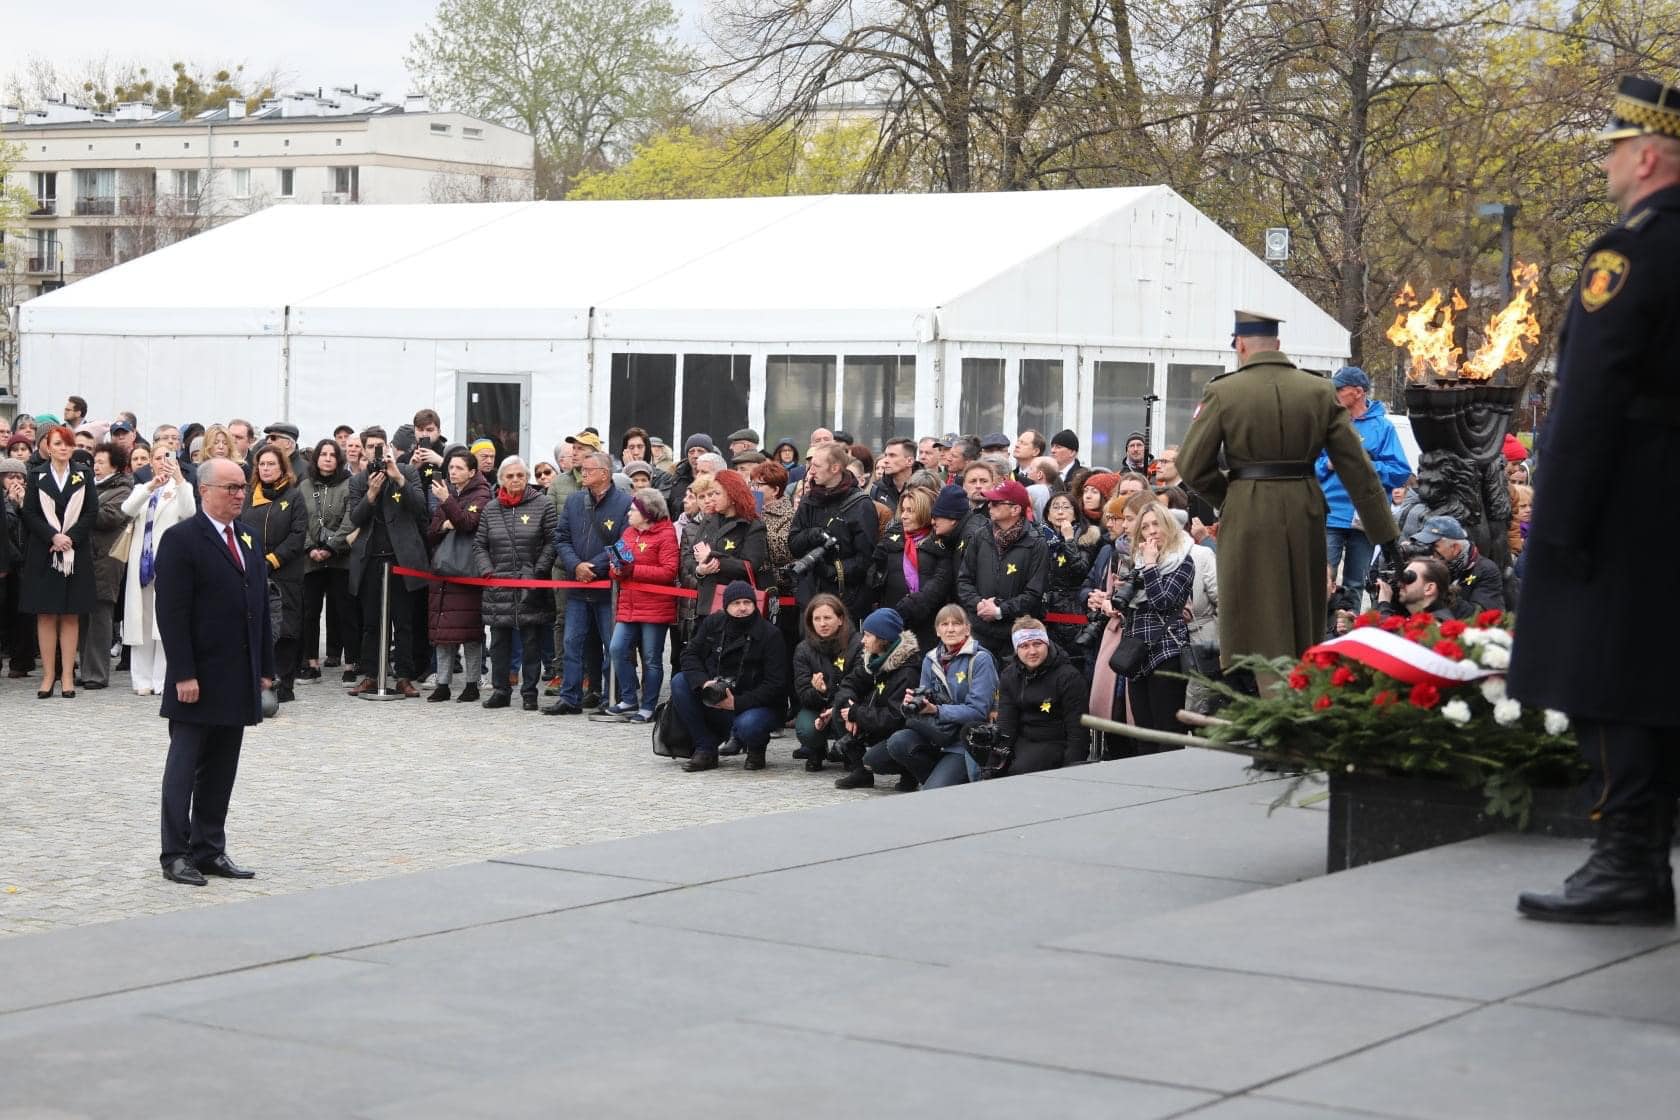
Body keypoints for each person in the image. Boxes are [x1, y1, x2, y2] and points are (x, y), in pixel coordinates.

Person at [1514, 75, 1680, 925]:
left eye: (1616, 148)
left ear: (1646, 156)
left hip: (1628, 498)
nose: (1608, 162)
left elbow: (1590, 396)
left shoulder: (1629, 254)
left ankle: (1626, 863)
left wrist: (1561, 519)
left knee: (1610, 679)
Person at [1177, 311, 1400, 678]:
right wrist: (1386, 534)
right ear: (1278, 345)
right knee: (1301, 619)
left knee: (1253, 620)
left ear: (1240, 344)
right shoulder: (1319, 390)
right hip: (1304, 508)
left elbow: (1190, 464)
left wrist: (1231, 497)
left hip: (1247, 512)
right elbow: (1358, 469)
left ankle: (1263, 693)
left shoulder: (1223, 391)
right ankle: (1299, 689)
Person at [154, 456, 274, 886]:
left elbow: (259, 606)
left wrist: (265, 666)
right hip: (198, 675)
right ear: (204, 491)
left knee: (222, 768)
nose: (240, 494)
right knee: (184, 768)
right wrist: (183, 673)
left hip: (237, 673)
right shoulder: (181, 539)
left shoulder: (247, 536)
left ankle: (209, 848)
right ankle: (175, 853)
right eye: (231, 488)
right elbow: (172, 613)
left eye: (243, 486)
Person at [866, 604, 998, 791]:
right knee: (891, 747)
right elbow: (925, 697)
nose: (950, 629)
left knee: (931, 792)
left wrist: (936, 710)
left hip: (964, 741)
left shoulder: (980, 659)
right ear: (937, 631)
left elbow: (978, 711)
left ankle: (944, 780)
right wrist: (913, 703)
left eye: (956, 624)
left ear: (967, 629)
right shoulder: (931, 658)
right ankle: (936, 776)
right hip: (937, 735)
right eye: (944, 624)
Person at [672, 580, 790, 772]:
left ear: (754, 604)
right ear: (726, 606)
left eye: (747, 602)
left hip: (756, 703)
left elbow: (776, 684)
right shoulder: (713, 623)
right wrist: (704, 683)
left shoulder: (770, 634)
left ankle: (756, 748)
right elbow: (689, 654)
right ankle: (705, 748)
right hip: (716, 696)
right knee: (680, 682)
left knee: (749, 724)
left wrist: (737, 703)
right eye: (736, 603)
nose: (742, 608)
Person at [346, 427, 429, 697]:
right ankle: (371, 675)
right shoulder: (358, 481)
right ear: (364, 450)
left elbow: (420, 508)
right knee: (371, 622)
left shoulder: (407, 472)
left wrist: (398, 478)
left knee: (403, 622)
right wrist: (370, 495)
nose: (376, 451)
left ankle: (404, 676)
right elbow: (355, 518)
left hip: (401, 559)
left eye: (380, 446)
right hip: (371, 560)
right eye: (371, 447)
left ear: (389, 447)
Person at [547, 449, 632, 715]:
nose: (582, 473)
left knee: (611, 645)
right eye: (582, 469)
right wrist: (576, 565)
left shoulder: (625, 503)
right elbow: (561, 537)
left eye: (588, 470)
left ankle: (611, 696)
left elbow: (625, 545)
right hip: (577, 586)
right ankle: (569, 697)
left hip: (608, 589)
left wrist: (593, 567)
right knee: (572, 643)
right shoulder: (574, 501)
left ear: (605, 474)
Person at [471, 456, 557, 711]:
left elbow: (553, 541)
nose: (516, 480)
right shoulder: (491, 508)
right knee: (499, 643)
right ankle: (501, 691)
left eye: (520, 475)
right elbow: (480, 544)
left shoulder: (543, 504)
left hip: (532, 585)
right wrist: (488, 570)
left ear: (527, 478)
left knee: (531, 642)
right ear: (501, 481)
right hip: (498, 585)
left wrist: (538, 570)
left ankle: (529, 693)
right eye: (510, 476)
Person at [1315, 367, 1413, 590]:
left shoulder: (1383, 427)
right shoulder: (1326, 423)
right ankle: (1323, 615)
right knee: (1321, 580)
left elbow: (1400, 472)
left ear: (1358, 392)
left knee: (1355, 584)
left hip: (1366, 518)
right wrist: (1327, 464)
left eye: (1338, 389)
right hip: (1330, 515)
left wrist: (1364, 465)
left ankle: (1350, 615)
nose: (1333, 394)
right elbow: (1308, 465)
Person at [19, 425, 98, 698]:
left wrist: (69, 538)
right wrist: (53, 536)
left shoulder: (83, 474)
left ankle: (66, 676)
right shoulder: (36, 474)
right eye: (58, 444)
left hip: (75, 552)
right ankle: (48, 675)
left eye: (67, 444)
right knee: (46, 614)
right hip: (45, 551)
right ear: (48, 447)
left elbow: (91, 512)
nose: (63, 448)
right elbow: (30, 513)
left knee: (70, 614)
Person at [120, 437, 196, 695]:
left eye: (168, 457)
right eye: (158, 458)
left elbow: (189, 512)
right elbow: (127, 509)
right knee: (140, 620)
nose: (163, 462)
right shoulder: (143, 488)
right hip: (141, 563)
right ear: (150, 463)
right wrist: (150, 486)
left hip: (168, 562)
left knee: (165, 620)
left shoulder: (182, 488)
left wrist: (179, 480)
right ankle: (141, 679)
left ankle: (162, 679)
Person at [1113, 502, 1196, 733]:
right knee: (1143, 732)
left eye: (1156, 524)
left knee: (1167, 731)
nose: (1151, 531)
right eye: (1145, 527)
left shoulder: (1182, 560)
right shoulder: (1138, 562)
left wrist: (1150, 565)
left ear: (1168, 525)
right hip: (1137, 653)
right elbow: (1133, 608)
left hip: (1166, 650)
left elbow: (1162, 602)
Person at [824, 607, 923, 790]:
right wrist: (848, 707)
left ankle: (909, 772)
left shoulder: (907, 672)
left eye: (868, 635)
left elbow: (895, 718)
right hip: (874, 720)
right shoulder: (874, 660)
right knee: (840, 708)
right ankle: (860, 772)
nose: (863, 640)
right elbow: (848, 684)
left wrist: (856, 713)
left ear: (883, 639)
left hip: (898, 732)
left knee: (875, 760)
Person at [603, 487, 678, 721]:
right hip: (629, 604)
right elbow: (617, 567)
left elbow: (669, 571)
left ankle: (648, 706)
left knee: (651, 659)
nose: (629, 513)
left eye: (634, 510)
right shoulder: (628, 533)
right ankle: (629, 699)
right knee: (616, 649)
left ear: (647, 513)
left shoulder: (666, 534)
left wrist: (633, 570)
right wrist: (616, 570)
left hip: (656, 606)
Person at [424, 446, 491, 703]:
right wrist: (446, 521)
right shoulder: (449, 492)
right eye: (450, 467)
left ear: (472, 472)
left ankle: (472, 683)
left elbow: (467, 523)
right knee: (443, 632)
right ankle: (442, 683)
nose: (452, 472)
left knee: (470, 632)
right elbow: (431, 532)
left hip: (467, 571)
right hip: (443, 572)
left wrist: (447, 504)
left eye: (459, 468)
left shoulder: (482, 493)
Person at [242, 445, 307, 702]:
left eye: (271, 464)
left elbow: (298, 535)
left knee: (286, 629)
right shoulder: (249, 496)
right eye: (262, 464)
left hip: (285, 572)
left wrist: (272, 560)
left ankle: (284, 684)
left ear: (282, 468)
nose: (266, 469)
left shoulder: (294, 496)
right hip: (253, 570)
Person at [956, 479, 1048, 658]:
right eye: (990, 502)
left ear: (1015, 509)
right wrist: (979, 604)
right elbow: (964, 580)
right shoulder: (980, 536)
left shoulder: (1036, 543)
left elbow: (1034, 593)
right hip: (980, 630)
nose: (990, 506)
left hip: (1016, 634)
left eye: (996, 503)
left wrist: (1000, 611)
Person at [789, 441, 880, 620]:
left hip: (845, 600)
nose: (811, 471)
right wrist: (812, 535)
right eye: (810, 465)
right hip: (810, 599)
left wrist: (832, 571)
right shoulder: (809, 500)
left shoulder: (860, 504)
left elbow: (866, 559)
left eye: (816, 466)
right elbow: (793, 544)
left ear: (835, 468)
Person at [996, 617, 1088, 774]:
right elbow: (1006, 722)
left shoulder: (1068, 676)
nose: (1032, 651)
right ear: (1016, 649)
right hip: (1022, 739)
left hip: (1054, 741)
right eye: (1024, 646)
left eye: (1037, 644)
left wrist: (1071, 768)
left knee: (1019, 769)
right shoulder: (1009, 675)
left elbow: (1078, 729)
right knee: (973, 737)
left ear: (1047, 644)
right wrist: (996, 761)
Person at [869, 486, 955, 653]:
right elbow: (875, 579)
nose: (903, 516)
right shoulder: (890, 540)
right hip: (894, 620)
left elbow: (941, 581)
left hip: (929, 623)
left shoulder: (942, 543)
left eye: (910, 511)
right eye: (903, 510)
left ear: (924, 513)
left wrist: (914, 604)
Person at [299, 438, 356, 684]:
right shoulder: (303, 486)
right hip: (311, 559)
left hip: (340, 559)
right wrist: (311, 547)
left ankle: (351, 663)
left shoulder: (349, 484)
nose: (328, 459)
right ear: (316, 458)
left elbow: (351, 519)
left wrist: (332, 547)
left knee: (345, 612)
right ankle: (311, 663)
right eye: (323, 454)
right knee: (310, 612)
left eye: (333, 455)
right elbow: (299, 520)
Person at [81, 442, 133, 690]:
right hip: (85, 557)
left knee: (100, 616)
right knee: (83, 616)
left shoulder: (123, 490)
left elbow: (108, 518)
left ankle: (97, 673)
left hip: (106, 558)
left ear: (115, 465)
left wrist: (82, 505)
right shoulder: (90, 487)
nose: (96, 466)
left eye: (102, 462)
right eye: (95, 462)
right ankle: (86, 668)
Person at [792, 594, 854, 772]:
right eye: (817, 619)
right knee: (807, 729)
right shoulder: (803, 649)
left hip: (846, 705)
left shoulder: (856, 644)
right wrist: (818, 691)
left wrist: (834, 707)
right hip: (817, 706)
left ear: (840, 619)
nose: (822, 624)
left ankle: (851, 751)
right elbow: (803, 694)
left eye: (827, 618)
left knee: (847, 713)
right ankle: (817, 750)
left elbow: (859, 684)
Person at [1041, 491, 1097, 665]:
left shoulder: (1086, 537)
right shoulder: (1038, 538)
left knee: (1073, 662)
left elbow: (1080, 570)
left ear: (1075, 514)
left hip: (1073, 610)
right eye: (1055, 507)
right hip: (1044, 609)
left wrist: (1069, 540)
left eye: (1066, 507)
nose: (1060, 512)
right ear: (1048, 515)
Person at [1409, 515, 1506, 615]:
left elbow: (1479, 616)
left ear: (1455, 548)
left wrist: (1443, 590)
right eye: (1425, 544)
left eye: (1434, 546)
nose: (1429, 551)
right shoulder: (1427, 565)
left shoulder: (1486, 570)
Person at [1374, 555, 1458, 622]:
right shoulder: (1418, 617)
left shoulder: (1438, 623)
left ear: (1429, 588)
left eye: (1408, 577)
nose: (1401, 583)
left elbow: (1387, 636)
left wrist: (1384, 604)